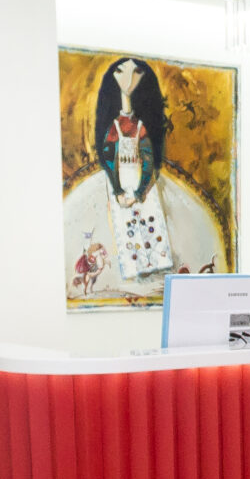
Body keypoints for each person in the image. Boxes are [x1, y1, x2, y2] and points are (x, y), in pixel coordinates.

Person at [60, 56, 224, 304]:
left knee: (153, 225)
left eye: (136, 73)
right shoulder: (114, 127)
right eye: (120, 72)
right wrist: (117, 190)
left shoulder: (140, 129)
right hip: (116, 182)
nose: (127, 80)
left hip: (142, 184)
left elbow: (147, 158)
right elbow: (108, 156)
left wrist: (139, 192)